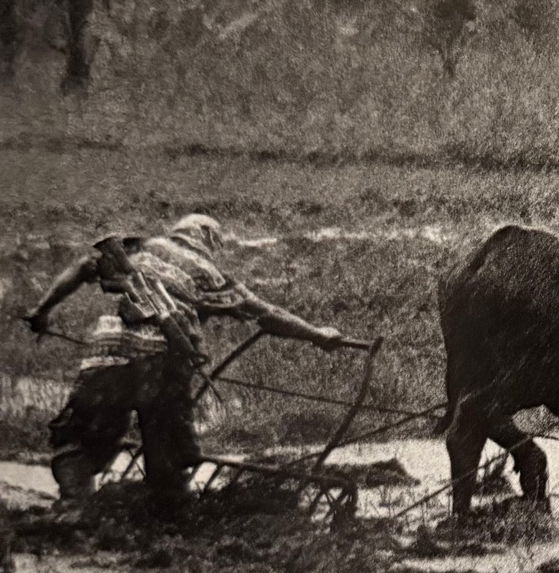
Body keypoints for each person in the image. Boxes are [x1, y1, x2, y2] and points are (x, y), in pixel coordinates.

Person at [24, 213, 353, 506]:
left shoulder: (141, 251)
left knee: (80, 437)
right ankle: (167, 514)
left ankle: (75, 508)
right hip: (164, 360)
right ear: (210, 243)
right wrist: (318, 335)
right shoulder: (211, 275)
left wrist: (42, 310)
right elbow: (268, 315)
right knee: (170, 451)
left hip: (106, 353)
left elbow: (84, 267)